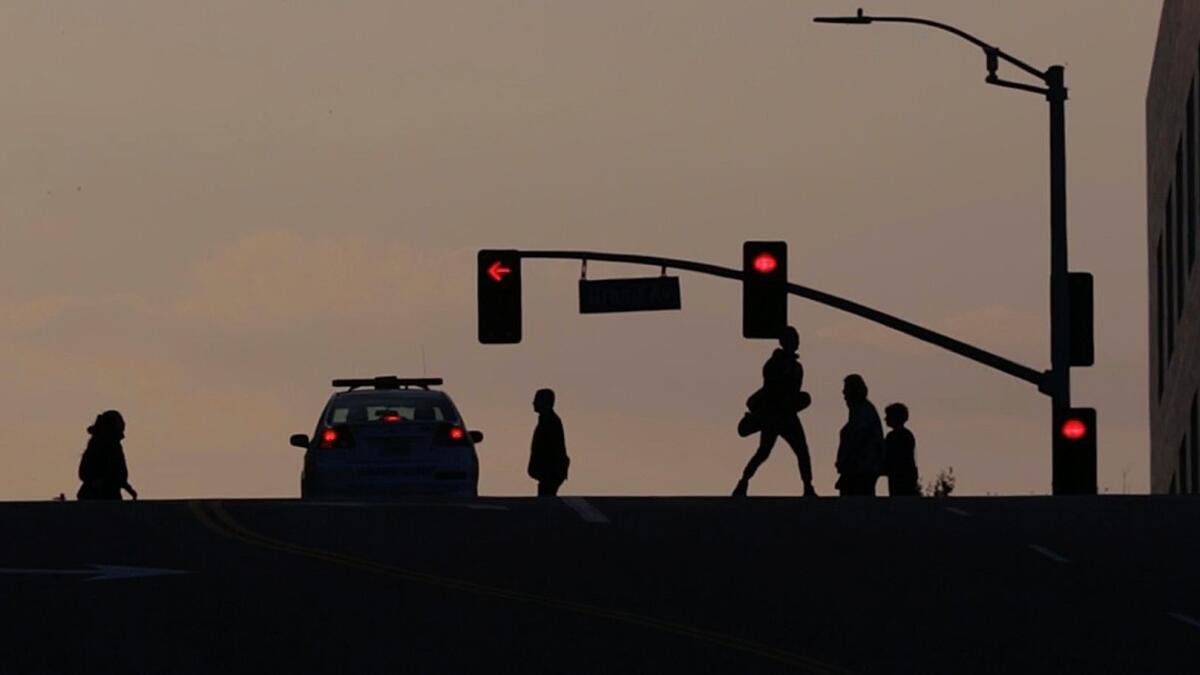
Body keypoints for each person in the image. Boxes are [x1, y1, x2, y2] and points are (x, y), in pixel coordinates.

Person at [734, 326, 816, 497]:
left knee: (801, 451)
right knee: (764, 452)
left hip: (788, 415)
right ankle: (743, 482)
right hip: (774, 415)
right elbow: (771, 388)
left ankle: (808, 486)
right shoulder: (774, 364)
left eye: (797, 338)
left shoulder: (796, 367)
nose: (796, 342)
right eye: (793, 339)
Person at [835, 375, 884, 496]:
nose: (844, 393)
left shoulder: (864, 412)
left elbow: (858, 439)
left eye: (847, 389)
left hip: (861, 469)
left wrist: (847, 460)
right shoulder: (860, 412)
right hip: (858, 468)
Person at [77, 410, 138, 501]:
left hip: (110, 495)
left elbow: (119, 474)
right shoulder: (97, 446)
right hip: (98, 496)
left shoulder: (112, 447)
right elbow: (84, 472)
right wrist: (98, 482)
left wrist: (126, 487)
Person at [528, 389, 569, 497]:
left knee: (546, 499)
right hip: (549, 472)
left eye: (537, 400)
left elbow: (553, 449)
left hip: (550, 472)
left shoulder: (550, 421)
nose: (533, 403)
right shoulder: (548, 420)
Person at [883, 403, 919, 496]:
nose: (885, 418)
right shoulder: (907, 435)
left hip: (900, 475)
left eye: (888, 416)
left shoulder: (895, 436)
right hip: (904, 474)